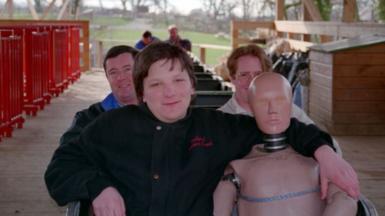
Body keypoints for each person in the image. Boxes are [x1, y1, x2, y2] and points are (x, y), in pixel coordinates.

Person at [45, 42, 358, 216]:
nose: (170, 93)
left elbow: (283, 128)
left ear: (192, 87)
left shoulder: (217, 127)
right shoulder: (111, 127)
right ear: (142, 92)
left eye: (179, 81)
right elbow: (61, 166)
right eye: (157, 84)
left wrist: (324, 152)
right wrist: (98, 186)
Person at [213, 73, 357, 216]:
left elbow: (345, 199)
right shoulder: (238, 165)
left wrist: (326, 154)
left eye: (280, 100)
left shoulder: (317, 156)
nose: (272, 110)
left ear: (290, 102)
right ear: (250, 106)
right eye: (262, 102)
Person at [218, 44, 342, 155]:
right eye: (244, 74)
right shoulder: (222, 119)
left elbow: (333, 148)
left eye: (258, 74)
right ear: (232, 78)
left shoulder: (289, 111)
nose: (252, 81)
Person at [59, 45, 138, 146]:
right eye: (113, 72)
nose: (121, 77)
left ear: (141, 72)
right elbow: (66, 153)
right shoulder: (89, 119)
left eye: (127, 69)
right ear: (107, 78)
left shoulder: (159, 113)